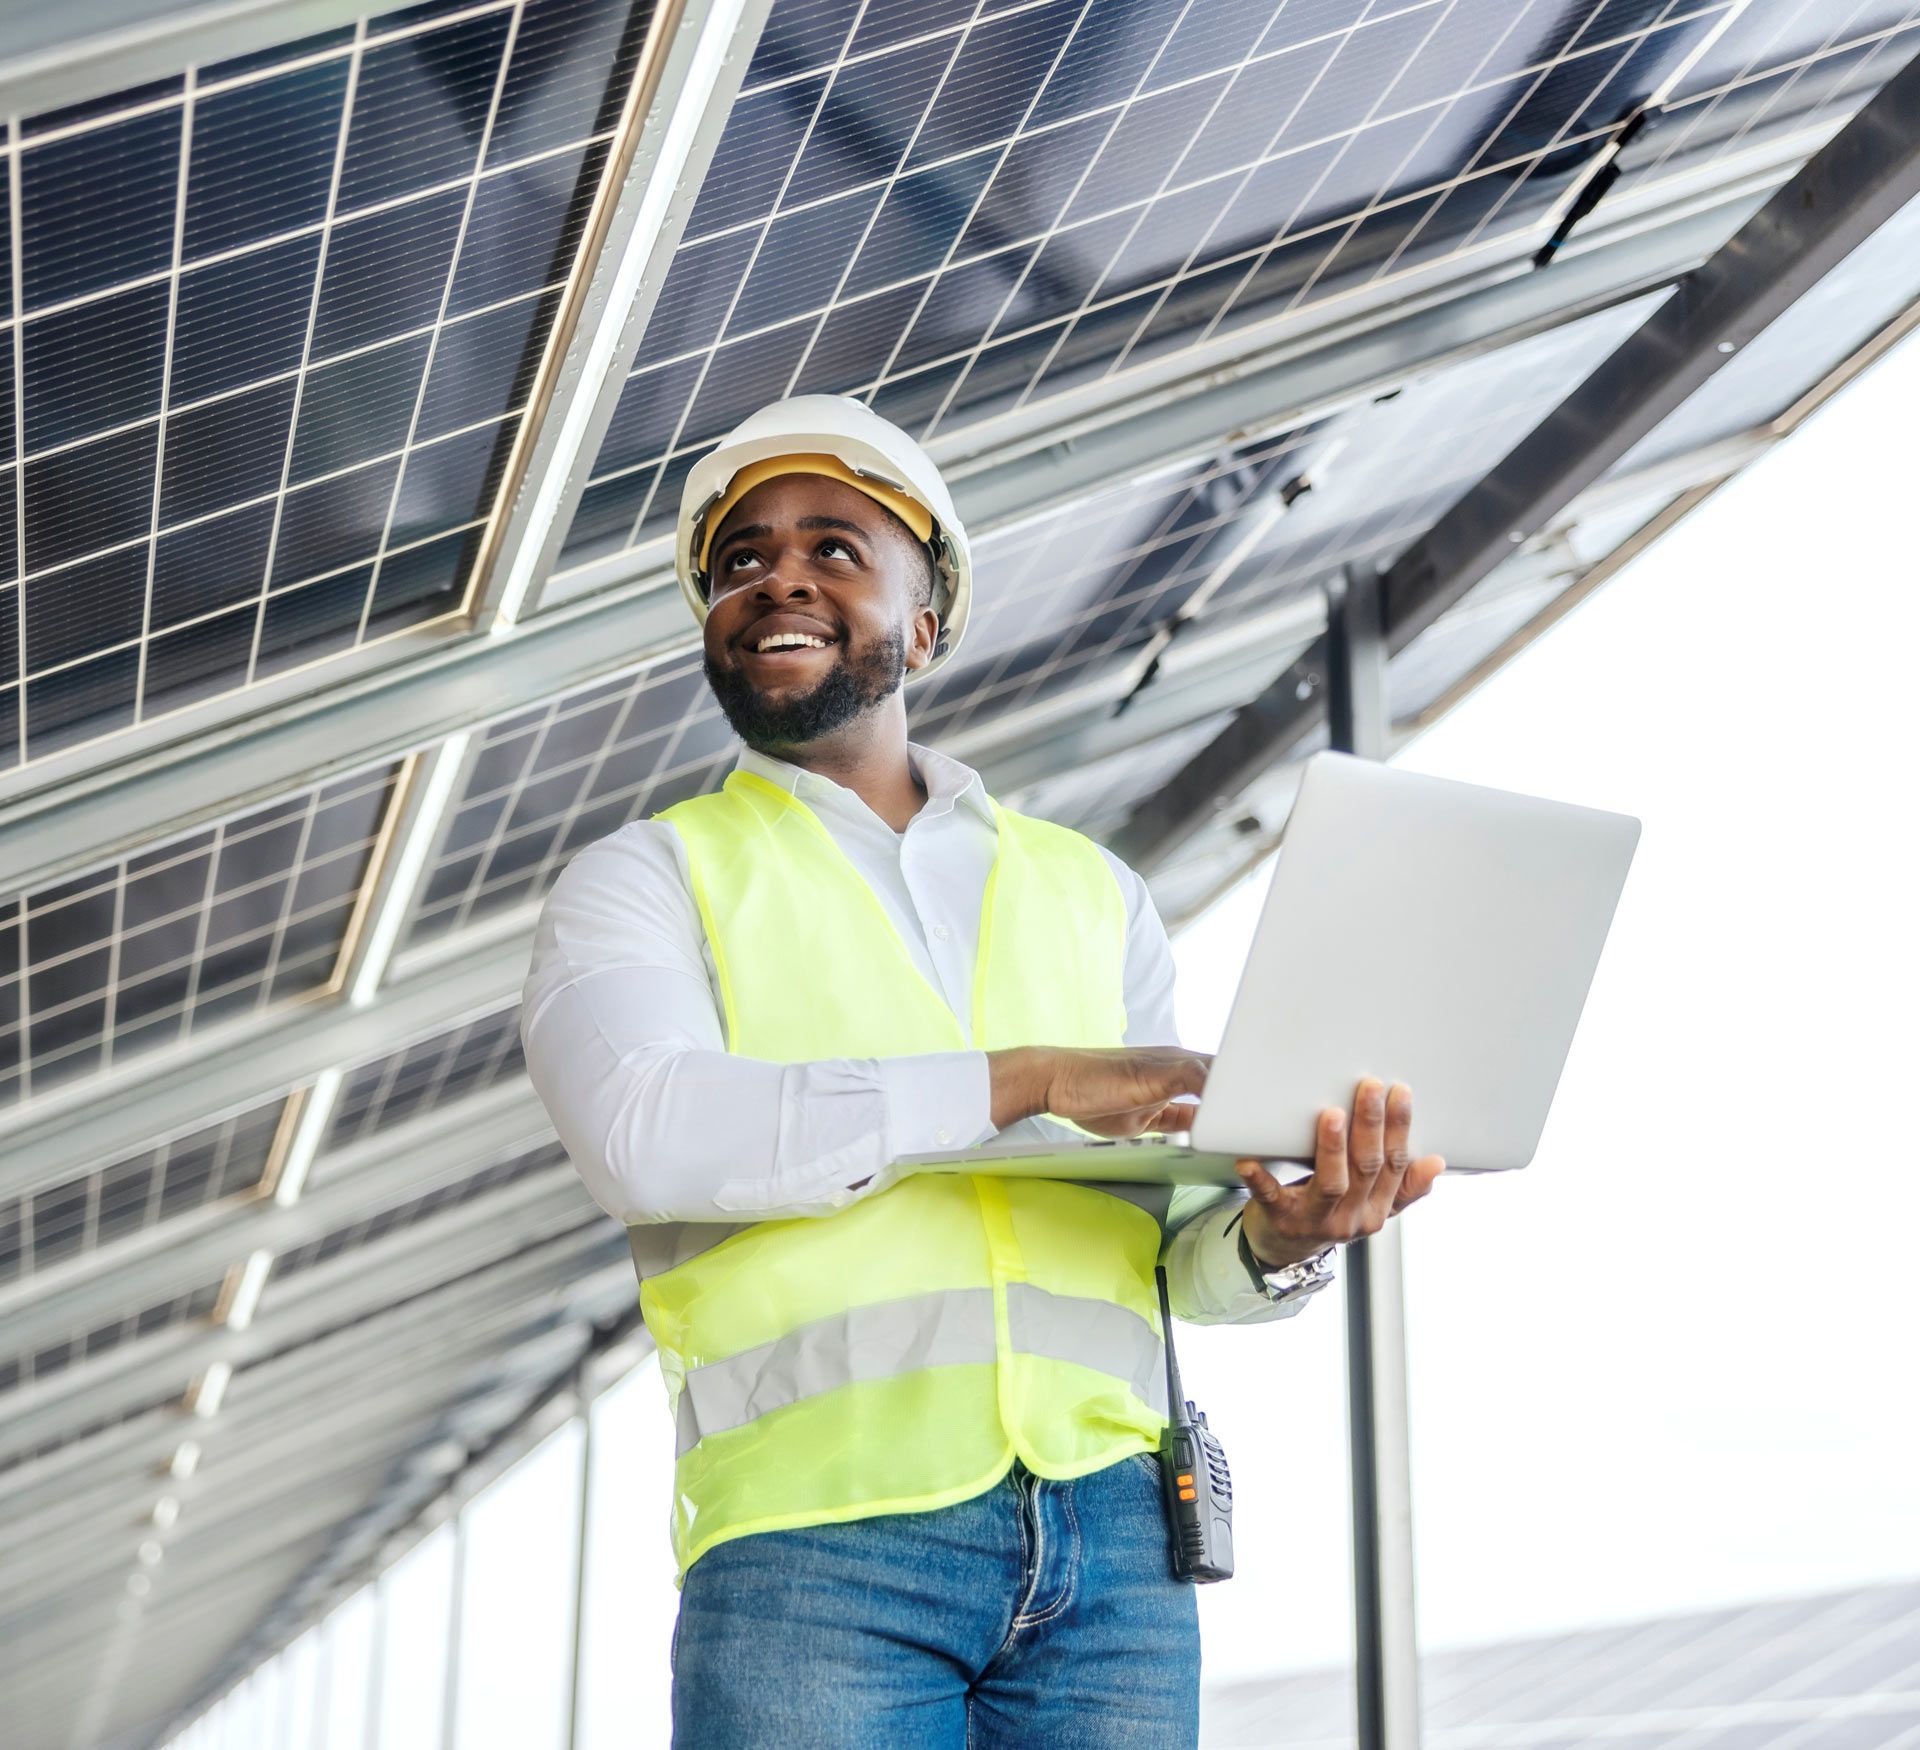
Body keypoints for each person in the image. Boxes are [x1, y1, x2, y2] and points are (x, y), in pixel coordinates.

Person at [521, 396, 1443, 1748]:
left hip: (1119, 1547)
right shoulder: (646, 882)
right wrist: (1021, 1077)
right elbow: (646, 1133)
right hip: (816, 1548)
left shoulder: (1090, 891)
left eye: (835, 547)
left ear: (928, 620)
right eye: (740, 561)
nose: (775, 577)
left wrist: (1274, 1236)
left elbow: (1161, 1262)